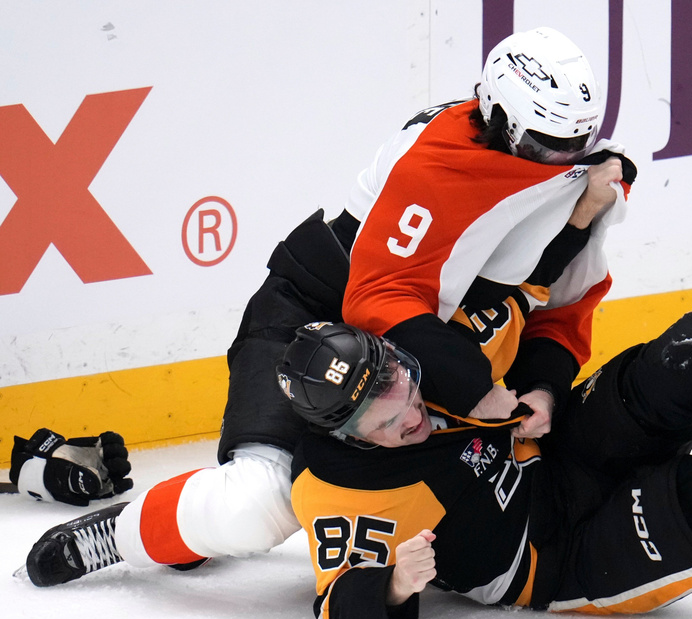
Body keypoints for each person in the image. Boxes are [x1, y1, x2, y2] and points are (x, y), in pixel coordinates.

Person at [28, 217, 692, 619]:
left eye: (399, 378)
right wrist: (393, 588)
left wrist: (539, 379)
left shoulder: (422, 358)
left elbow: (530, 311)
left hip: (565, 445)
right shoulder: (343, 488)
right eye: (383, 414)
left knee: (678, 359)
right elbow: (346, 611)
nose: (408, 404)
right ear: (348, 432)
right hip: (562, 554)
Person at [17, 26, 635, 574]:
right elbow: (377, 298)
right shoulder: (436, 162)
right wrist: (476, 390)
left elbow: (563, 306)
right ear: (498, 116)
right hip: (314, 317)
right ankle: (126, 533)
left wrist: (545, 387)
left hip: (412, 354)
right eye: (543, 145)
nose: (560, 162)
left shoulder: (576, 183)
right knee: (257, 503)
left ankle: (194, 515)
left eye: (574, 143)